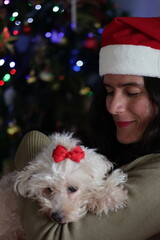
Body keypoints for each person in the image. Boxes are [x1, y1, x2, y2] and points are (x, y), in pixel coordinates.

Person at [15, 17, 160, 240]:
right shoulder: (119, 147)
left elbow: (56, 237)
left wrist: (32, 145)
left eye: (132, 92)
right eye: (109, 91)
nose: (112, 107)